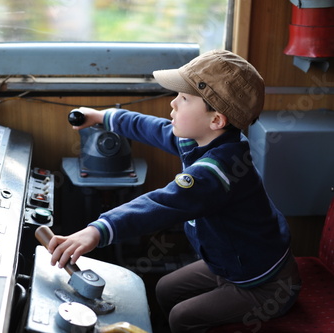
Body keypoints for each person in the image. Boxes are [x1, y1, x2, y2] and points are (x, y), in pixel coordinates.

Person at [46, 50, 301, 332]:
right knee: (165, 289)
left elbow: (162, 203)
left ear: (216, 120)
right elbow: (153, 128)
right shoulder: (203, 139)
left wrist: (97, 230)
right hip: (230, 263)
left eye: (184, 99)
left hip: (264, 284)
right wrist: (103, 116)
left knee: (182, 316)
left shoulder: (218, 171)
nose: (173, 103)